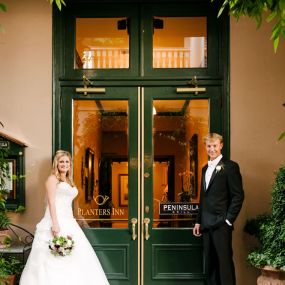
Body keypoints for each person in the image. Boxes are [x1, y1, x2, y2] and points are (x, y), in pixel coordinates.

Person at [20, 150, 110, 285]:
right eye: (61, 161)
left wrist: (80, 219)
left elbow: (70, 202)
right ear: (56, 163)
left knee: (76, 256)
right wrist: (55, 224)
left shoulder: (69, 180)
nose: (64, 164)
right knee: (53, 257)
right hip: (56, 221)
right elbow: (51, 202)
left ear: (70, 164)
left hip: (70, 222)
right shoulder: (52, 179)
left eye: (67, 162)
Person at [193, 133, 244, 285]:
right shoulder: (203, 169)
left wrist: (228, 220)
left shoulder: (230, 167)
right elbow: (203, 198)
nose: (212, 149)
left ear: (221, 145)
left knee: (225, 264)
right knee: (210, 266)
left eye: (215, 145)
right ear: (205, 147)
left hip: (221, 224)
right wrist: (197, 222)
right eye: (209, 146)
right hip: (206, 224)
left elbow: (238, 196)